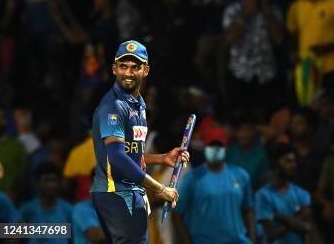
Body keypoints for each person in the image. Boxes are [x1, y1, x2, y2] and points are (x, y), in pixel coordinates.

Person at [91, 40, 189, 244]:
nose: (128, 73)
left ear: (146, 70)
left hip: (129, 194)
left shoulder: (138, 106)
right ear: (114, 69)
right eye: (123, 66)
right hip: (117, 194)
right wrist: (161, 189)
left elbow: (130, 155)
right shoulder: (114, 106)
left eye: (135, 67)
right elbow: (116, 158)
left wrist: (162, 159)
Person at [173, 126, 256, 244]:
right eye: (212, 145)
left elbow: (249, 209)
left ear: (226, 148)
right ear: (205, 147)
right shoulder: (193, 178)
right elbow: (177, 215)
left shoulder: (241, 175)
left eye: (219, 146)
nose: (216, 149)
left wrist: (252, 240)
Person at [255, 143, 312, 244]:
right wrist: (296, 222)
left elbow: (307, 228)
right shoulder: (262, 195)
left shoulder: (302, 194)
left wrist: (281, 217)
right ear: (275, 164)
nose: (293, 165)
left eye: (294, 161)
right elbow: (270, 234)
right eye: (288, 161)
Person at [19, 161, 73, 244]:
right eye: (46, 181)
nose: (50, 185)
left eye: (53, 181)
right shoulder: (27, 210)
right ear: (37, 183)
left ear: (59, 183)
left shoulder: (69, 211)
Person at [0, 104, 26, 202]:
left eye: (3, 118)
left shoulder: (16, 146)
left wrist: (14, 193)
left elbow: (22, 176)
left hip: (8, 202)